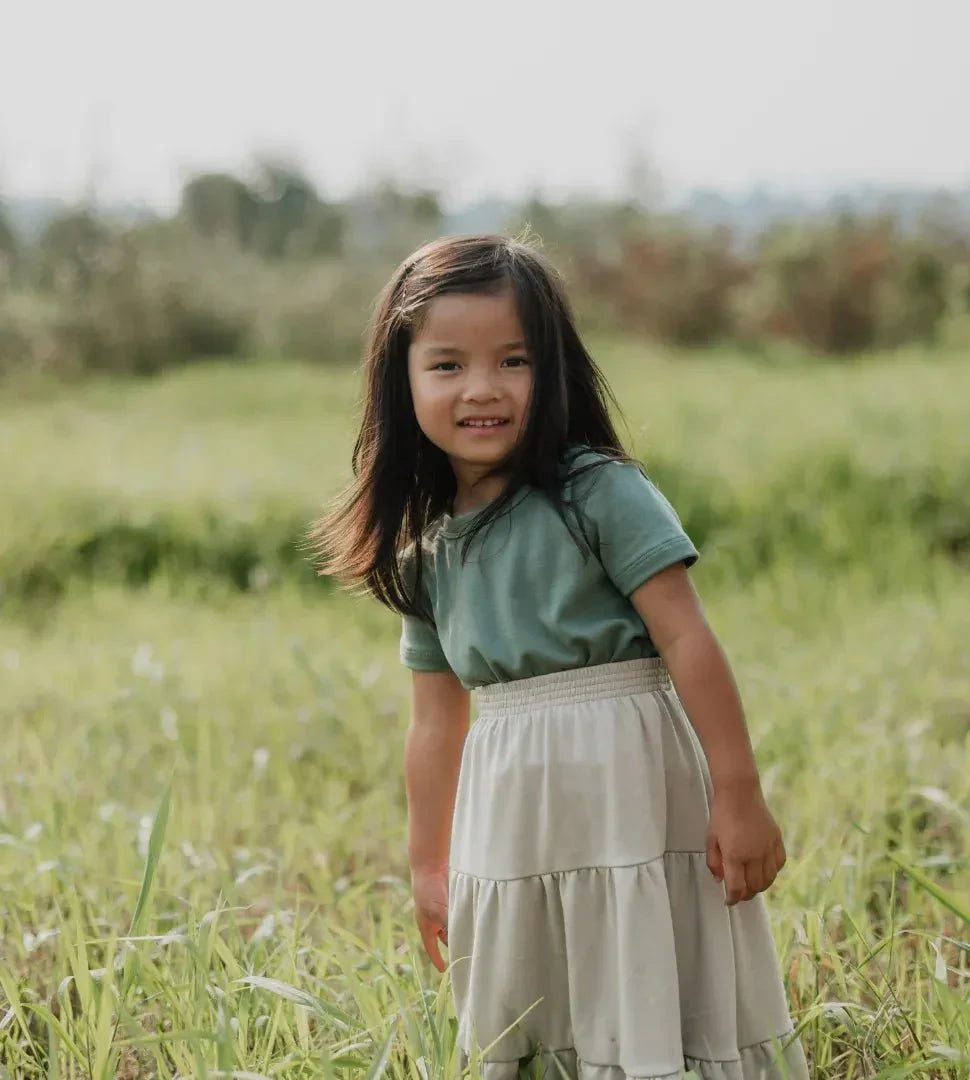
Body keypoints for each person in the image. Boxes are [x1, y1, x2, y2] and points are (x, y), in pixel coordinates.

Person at [310, 235, 810, 1080]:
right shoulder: (426, 549)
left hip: (632, 781)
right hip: (510, 803)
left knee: (641, 953)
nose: (483, 388)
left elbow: (687, 638)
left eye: (514, 360)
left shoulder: (599, 492)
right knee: (538, 990)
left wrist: (739, 792)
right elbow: (436, 723)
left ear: (555, 371)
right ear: (401, 381)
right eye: (447, 366)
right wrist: (429, 862)